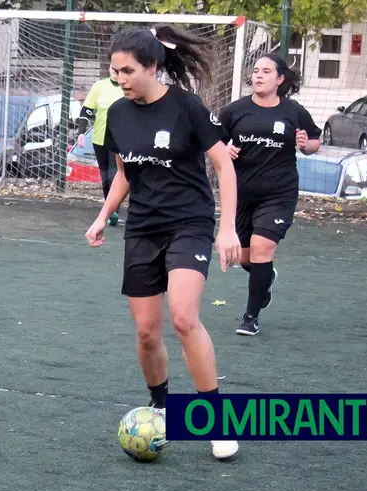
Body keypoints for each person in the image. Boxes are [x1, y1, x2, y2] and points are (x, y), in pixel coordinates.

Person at [84, 26, 242, 460]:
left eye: (128, 70)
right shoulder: (117, 113)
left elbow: (224, 169)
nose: (120, 79)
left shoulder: (186, 107)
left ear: (152, 66)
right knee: (146, 332)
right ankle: (161, 408)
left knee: (184, 318)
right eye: (115, 72)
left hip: (189, 223)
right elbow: (124, 174)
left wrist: (227, 228)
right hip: (142, 228)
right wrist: (102, 217)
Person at [217, 53, 321, 336]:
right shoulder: (235, 110)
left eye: (266, 71)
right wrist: (224, 149)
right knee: (245, 258)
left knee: (263, 248)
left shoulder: (293, 111)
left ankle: (250, 317)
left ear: (280, 79)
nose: (259, 76)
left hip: (279, 194)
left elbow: (314, 140)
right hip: (240, 195)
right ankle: (266, 277)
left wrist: (305, 144)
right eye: (256, 71)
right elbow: (213, 142)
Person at [76, 66, 124, 226]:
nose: (114, 71)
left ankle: (113, 210)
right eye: (112, 67)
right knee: (104, 178)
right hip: (99, 139)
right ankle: (109, 208)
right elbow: (87, 110)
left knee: (114, 175)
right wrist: (81, 132)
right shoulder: (99, 87)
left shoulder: (128, 87)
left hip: (120, 140)